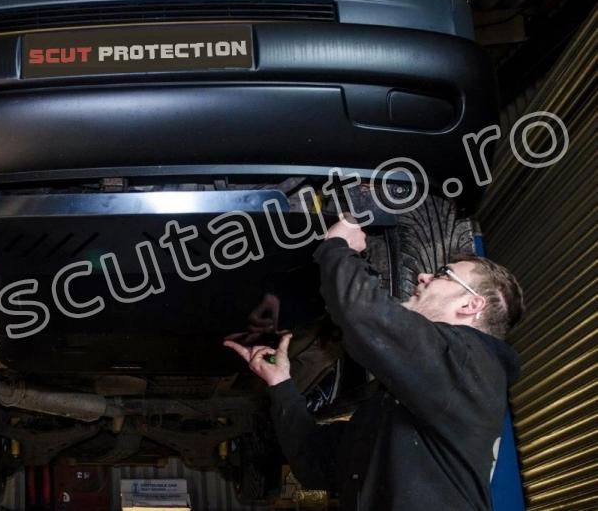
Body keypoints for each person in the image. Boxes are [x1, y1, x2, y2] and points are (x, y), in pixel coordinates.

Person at [224, 216, 523, 510]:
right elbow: (316, 464)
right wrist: (281, 383)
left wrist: (338, 245)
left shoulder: (475, 365)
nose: (424, 276)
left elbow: (365, 314)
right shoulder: (400, 406)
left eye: (444, 274)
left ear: (471, 304)